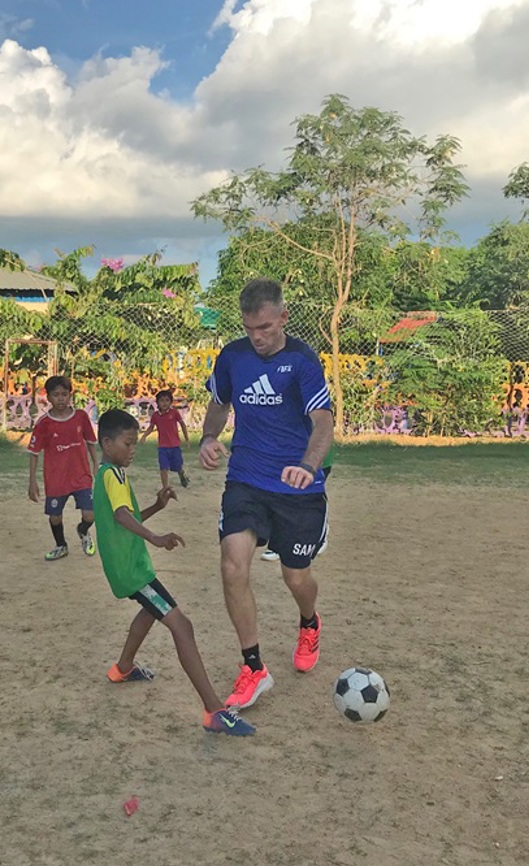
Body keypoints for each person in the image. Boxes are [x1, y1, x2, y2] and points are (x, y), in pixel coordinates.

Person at [199, 277, 333, 710]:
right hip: (247, 479)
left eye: (266, 328)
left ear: (283, 318)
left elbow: (323, 422)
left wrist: (308, 467)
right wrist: (207, 437)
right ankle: (253, 667)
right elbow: (220, 402)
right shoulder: (233, 357)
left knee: (296, 577)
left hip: (298, 486)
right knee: (233, 565)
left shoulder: (302, 360)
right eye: (249, 328)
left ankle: (309, 622)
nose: (257, 338)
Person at [93, 409, 255, 736]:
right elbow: (123, 517)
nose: (133, 449)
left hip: (132, 567)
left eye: (135, 442)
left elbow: (125, 516)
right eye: (127, 443)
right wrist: (155, 537)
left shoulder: (113, 474)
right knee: (182, 625)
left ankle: (122, 668)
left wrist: (157, 507)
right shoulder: (111, 475)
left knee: (152, 611)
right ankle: (214, 711)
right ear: (107, 443)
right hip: (132, 571)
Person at [27, 375, 98, 561]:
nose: (60, 399)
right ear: (48, 398)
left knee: (90, 515)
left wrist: (97, 466)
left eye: (64, 394)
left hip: (81, 476)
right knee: (55, 518)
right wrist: (32, 482)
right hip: (56, 479)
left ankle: (83, 531)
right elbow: (33, 453)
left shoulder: (81, 417)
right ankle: (61, 546)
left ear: (70, 396)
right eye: (56, 395)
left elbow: (91, 443)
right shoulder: (44, 424)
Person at [261, 444, 333, 562]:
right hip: (287, 457)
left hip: (316, 459)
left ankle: (321, 531)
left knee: (310, 496)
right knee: (281, 496)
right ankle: (276, 544)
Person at [140, 388, 190, 490]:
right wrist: (144, 436)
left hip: (175, 446)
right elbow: (151, 427)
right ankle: (165, 487)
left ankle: (181, 474)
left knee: (177, 466)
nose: (164, 403)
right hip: (163, 447)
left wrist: (187, 439)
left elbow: (183, 425)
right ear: (158, 402)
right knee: (163, 467)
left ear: (171, 402)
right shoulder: (155, 416)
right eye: (162, 400)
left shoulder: (174, 413)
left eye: (167, 400)